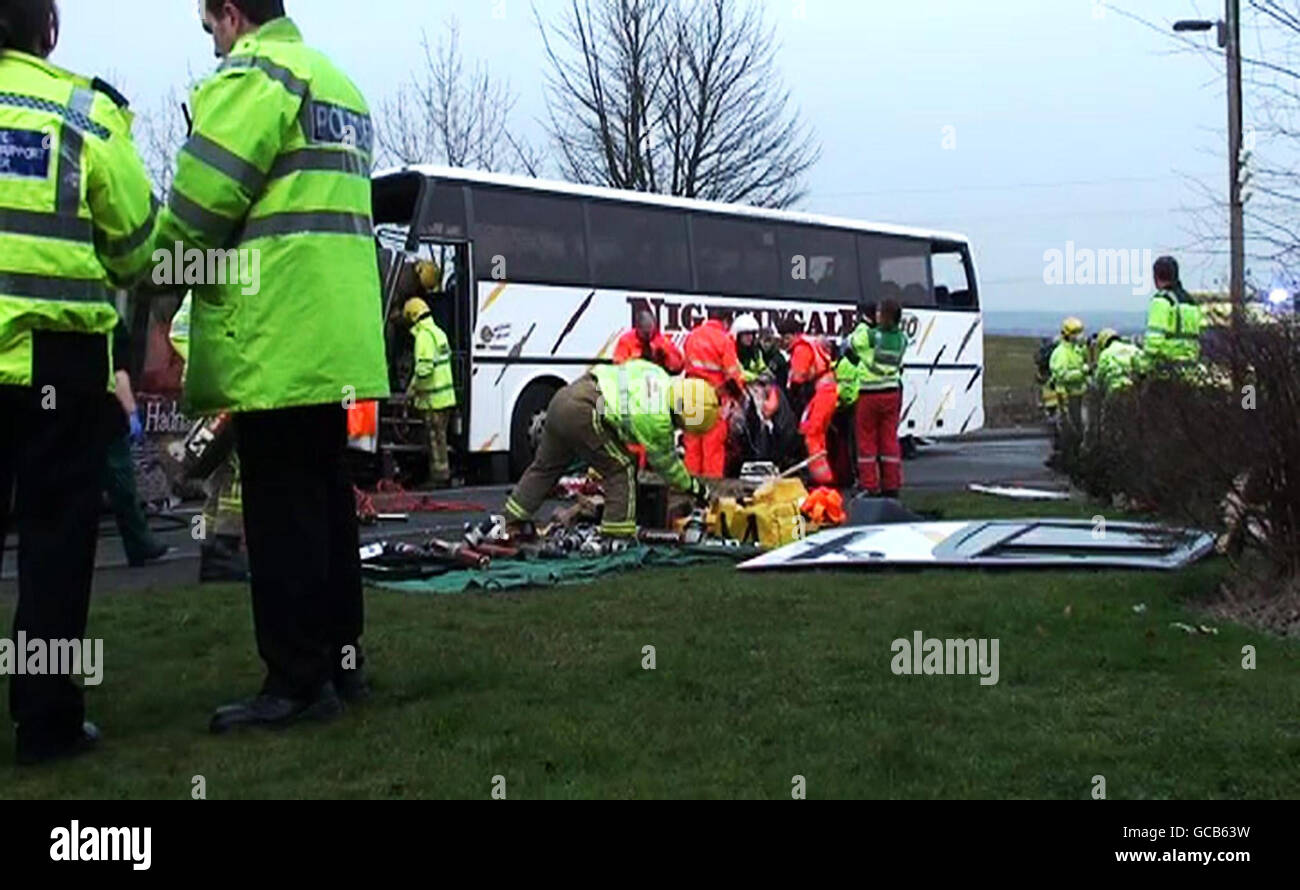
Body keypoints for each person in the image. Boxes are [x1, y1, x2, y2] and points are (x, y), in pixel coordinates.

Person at [159, 0, 390, 733]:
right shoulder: (339, 86)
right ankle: (340, 661)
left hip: (276, 332)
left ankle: (295, 682)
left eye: (209, 28)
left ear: (230, 14)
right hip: (337, 334)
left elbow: (197, 211)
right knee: (325, 500)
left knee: (281, 504)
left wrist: (155, 310)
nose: (212, 45)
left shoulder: (252, 76)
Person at [0, 0, 159, 764]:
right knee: (56, 546)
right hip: (58, 363)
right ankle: (46, 721)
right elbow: (136, 250)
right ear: (48, 31)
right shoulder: (81, 114)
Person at [502, 361, 717, 537]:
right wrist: (696, 488)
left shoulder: (656, 373)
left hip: (563, 398)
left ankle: (508, 522)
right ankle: (616, 534)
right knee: (621, 468)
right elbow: (667, 467)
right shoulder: (658, 422)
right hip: (587, 411)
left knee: (544, 468)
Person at [169, 293, 247, 582]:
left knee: (221, 470)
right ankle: (223, 549)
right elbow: (179, 331)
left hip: (218, 385)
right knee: (235, 472)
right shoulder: (224, 279)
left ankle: (214, 550)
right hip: (222, 387)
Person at [102, 319, 170, 567]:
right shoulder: (113, 325)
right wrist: (131, 411)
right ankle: (140, 543)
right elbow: (119, 374)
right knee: (122, 486)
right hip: (106, 414)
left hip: (80, 409)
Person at [849, 299, 909, 497]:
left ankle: (870, 485)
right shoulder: (902, 339)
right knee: (889, 441)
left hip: (870, 394)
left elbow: (853, 341)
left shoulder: (872, 336)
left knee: (867, 441)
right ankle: (891, 484)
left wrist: (863, 323)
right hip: (892, 392)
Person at [403, 294, 456, 487]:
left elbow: (424, 369)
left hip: (433, 401)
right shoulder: (439, 332)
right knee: (440, 440)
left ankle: (439, 479)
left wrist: (412, 389)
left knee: (434, 442)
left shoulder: (423, 337)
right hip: (446, 399)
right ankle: (442, 475)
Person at [682, 314, 744, 476]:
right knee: (713, 448)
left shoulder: (692, 336)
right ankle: (711, 493)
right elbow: (732, 375)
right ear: (725, 321)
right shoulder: (724, 340)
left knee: (692, 447)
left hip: (691, 397)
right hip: (712, 399)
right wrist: (739, 394)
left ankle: (691, 490)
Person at [780, 318, 837, 486]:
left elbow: (798, 378)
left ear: (795, 335)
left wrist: (791, 397)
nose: (784, 341)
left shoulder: (801, 350)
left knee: (811, 433)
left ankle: (821, 479)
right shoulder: (808, 344)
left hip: (821, 394)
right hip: (826, 393)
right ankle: (823, 476)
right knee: (818, 435)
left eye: (786, 337)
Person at [1141, 255, 1202, 375]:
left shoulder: (1162, 301)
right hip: (1191, 370)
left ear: (1155, 277)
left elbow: (1153, 343)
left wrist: (1142, 367)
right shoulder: (1191, 303)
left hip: (1167, 372)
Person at [1047, 316, 1089, 469]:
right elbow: (1062, 375)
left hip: (1078, 396)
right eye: (1076, 333)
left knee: (1079, 430)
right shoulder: (1061, 353)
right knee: (1068, 431)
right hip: (1066, 397)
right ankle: (1066, 460)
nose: (1080, 336)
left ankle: (1076, 459)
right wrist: (1082, 372)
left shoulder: (1076, 351)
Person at [613, 310, 683, 373]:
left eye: (651, 331)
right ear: (637, 328)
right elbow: (618, 364)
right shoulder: (626, 340)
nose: (649, 336)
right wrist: (637, 360)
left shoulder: (662, 340)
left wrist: (666, 356)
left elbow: (677, 366)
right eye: (645, 332)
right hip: (634, 378)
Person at [1094, 328, 1141, 394]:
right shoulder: (1132, 348)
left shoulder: (1105, 354)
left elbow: (1099, 377)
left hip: (1115, 390)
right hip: (1133, 390)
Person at [732, 314, 767, 381]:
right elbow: (739, 373)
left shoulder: (756, 352)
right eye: (746, 334)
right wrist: (756, 377)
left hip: (754, 387)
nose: (750, 337)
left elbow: (761, 366)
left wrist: (766, 373)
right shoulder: (733, 352)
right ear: (738, 335)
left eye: (752, 334)